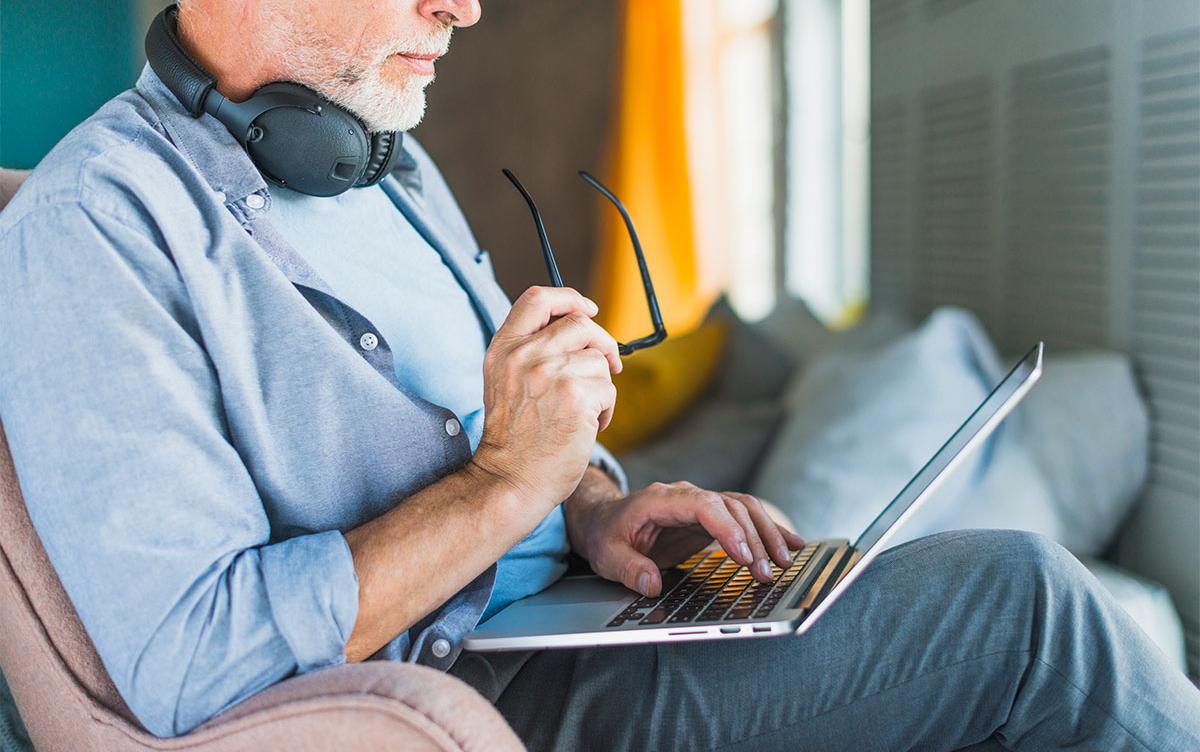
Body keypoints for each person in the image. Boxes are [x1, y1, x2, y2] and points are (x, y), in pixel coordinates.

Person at [0, 1, 1196, 748]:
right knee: (1028, 611)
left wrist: (597, 505)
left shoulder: (385, 161)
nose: (461, 7)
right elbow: (187, 660)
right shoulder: (90, 225)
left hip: (581, 623)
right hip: (481, 691)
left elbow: (516, 450)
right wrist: (508, 488)